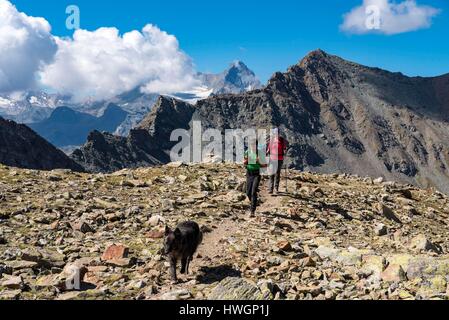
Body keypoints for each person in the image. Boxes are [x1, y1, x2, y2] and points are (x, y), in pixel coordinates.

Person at [244, 139, 267, 217]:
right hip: (249, 173)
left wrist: (258, 162)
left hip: (257, 173)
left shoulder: (260, 153)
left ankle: (252, 211)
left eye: (253, 145)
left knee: (253, 192)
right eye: (251, 145)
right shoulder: (247, 152)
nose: (252, 147)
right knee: (248, 193)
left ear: (256, 145)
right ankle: (254, 202)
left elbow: (265, 165)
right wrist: (245, 162)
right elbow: (245, 161)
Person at [267, 128, 289, 195]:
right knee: (271, 174)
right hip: (272, 158)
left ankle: (275, 188)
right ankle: (271, 188)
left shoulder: (282, 140)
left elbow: (285, 149)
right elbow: (268, 149)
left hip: (279, 159)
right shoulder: (271, 140)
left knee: (277, 173)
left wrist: (284, 152)